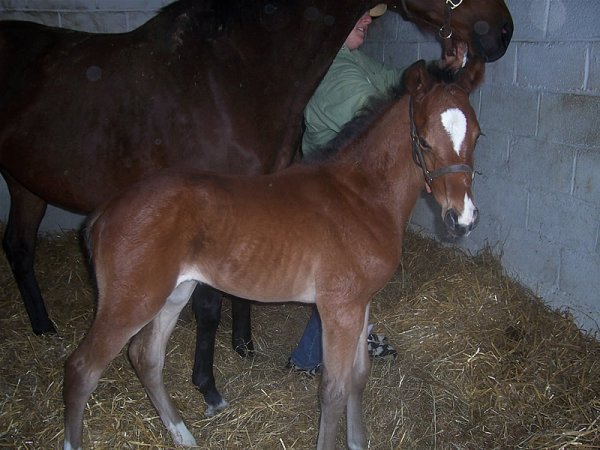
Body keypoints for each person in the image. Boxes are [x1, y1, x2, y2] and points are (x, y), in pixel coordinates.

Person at [288, 4, 468, 375]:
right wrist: (433, 114)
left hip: (353, 189)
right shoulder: (331, 69)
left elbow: (396, 80)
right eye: (359, 11)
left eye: (370, 12)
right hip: (333, 195)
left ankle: (348, 334)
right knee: (345, 274)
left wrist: (441, 71)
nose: (369, 18)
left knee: (352, 272)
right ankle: (307, 360)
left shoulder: (349, 57)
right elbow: (378, 112)